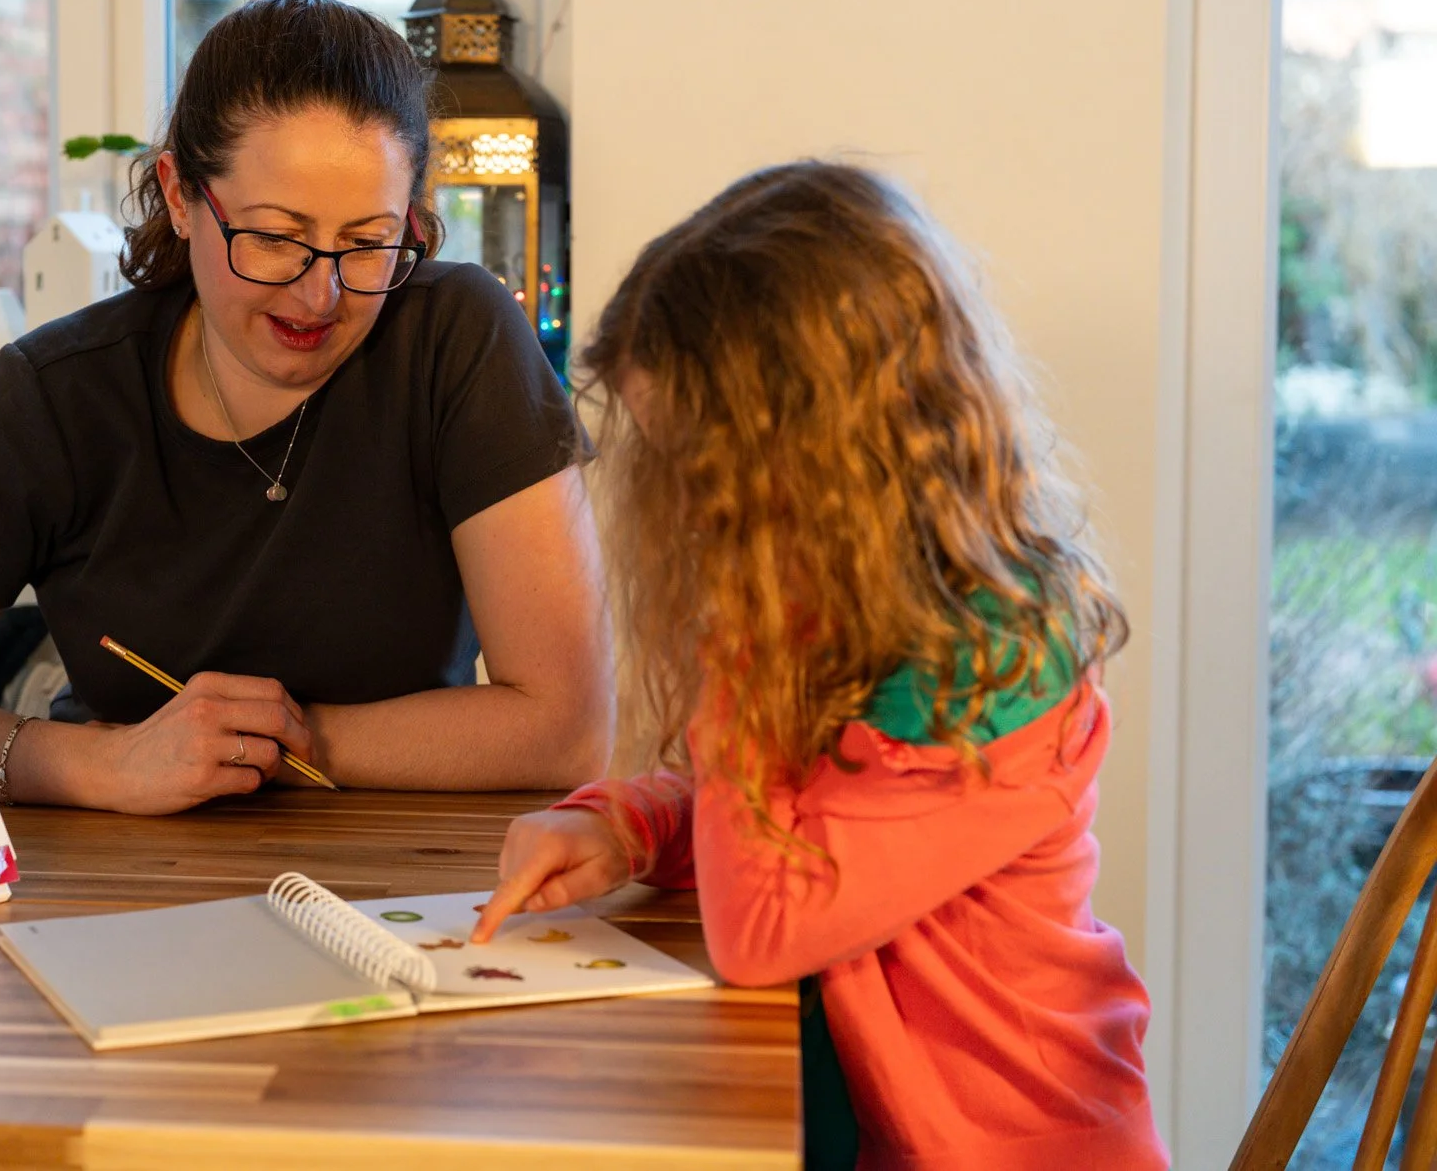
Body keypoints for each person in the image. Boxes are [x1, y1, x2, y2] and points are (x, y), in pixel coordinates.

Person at [472, 163, 1166, 1170]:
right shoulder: (862, 600)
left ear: (807, 456)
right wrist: (627, 828)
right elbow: (806, 815)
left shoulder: (998, 659)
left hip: (1018, 1148)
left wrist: (735, 628)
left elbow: (766, 924)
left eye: (701, 474)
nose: (688, 517)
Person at [0, 0, 612, 815]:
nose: (321, 295)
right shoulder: (56, 395)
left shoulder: (456, 339)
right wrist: (97, 763)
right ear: (181, 196)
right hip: (116, 866)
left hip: (401, 868)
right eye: (276, 237)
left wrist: (284, 742)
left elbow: (571, 727)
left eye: (367, 242)